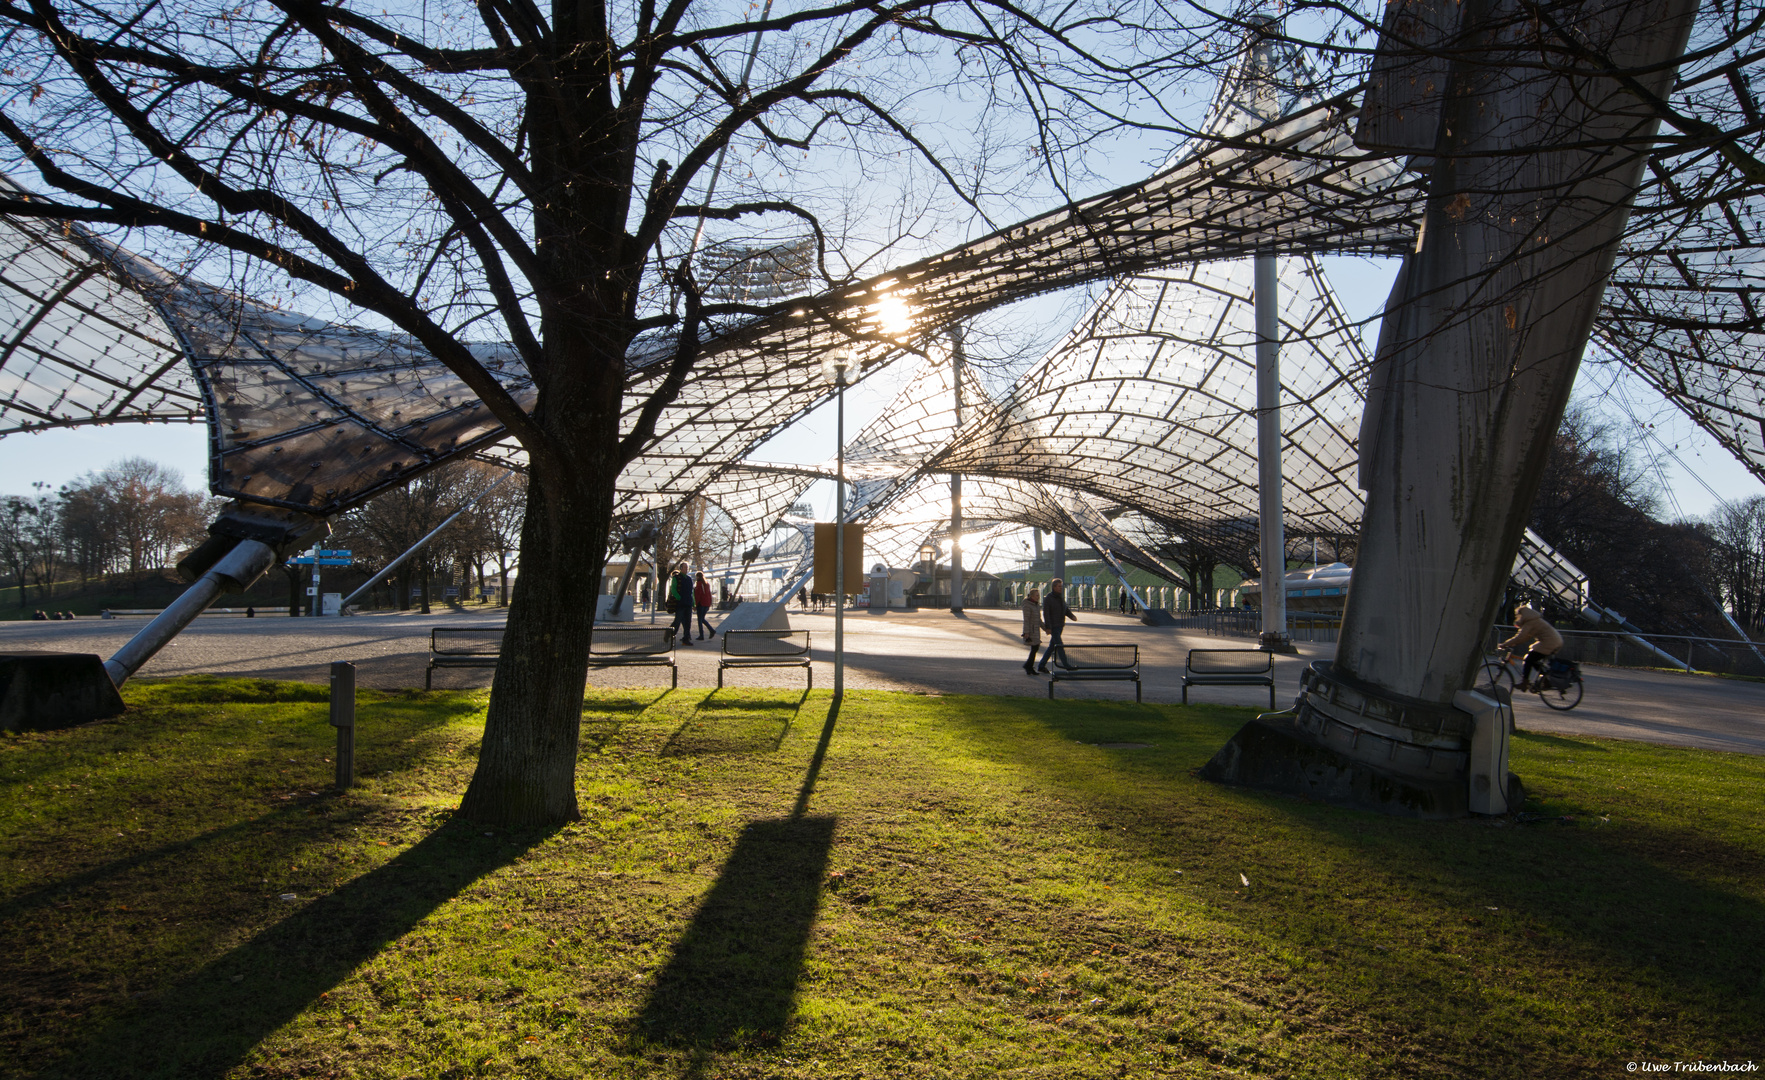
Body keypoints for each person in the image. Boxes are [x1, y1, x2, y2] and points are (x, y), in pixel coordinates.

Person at [1500, 603, 1564, 692]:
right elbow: (1525, 637)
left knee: (1528, 659)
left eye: (1518, 616)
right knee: (1533, 660)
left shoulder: (1530, 622)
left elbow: (1521, 636)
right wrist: (1513, 643)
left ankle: (1524, 683)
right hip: (1555, 641)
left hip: (1549, 642)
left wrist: (1505, 644)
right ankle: (1545, 680)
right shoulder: (1534, 620)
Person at [1037, 578, 1078, 673]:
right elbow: (1046, 614)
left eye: (1061, 586)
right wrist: (1048, 627)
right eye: (1059, 586)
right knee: (1059, 646)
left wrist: (1071, 616)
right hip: (1054, 626)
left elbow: (1065, 609)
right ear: (1054, 587)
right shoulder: (1049, 598)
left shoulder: (1060, 597)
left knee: (1052, 647)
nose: (1061, 588)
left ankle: (1041, 665)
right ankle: (1066, 665)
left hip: (1060, 625)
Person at [669, 562, 696, 645]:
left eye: (687, 567)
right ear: (681, 568)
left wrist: (693, 603)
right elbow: (673, 589)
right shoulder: (676, 578)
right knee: (677, 621)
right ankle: (670, 635)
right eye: (685, 567)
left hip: (688, 603)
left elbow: (691, 592)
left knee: (688, 622)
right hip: (680, 604)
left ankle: (686, 639)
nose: (686, 569)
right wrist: (679, 598)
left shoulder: (689, 579)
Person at [1021, 586, 1043, 675]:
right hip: (1031, 630)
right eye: (1037, 595)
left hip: (1036, 629)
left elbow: (1039, 619)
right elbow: (1026, 619)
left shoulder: (1036, 605)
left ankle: (1028, 666)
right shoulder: (1027, 605)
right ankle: (1028, 666)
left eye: (1039, 595)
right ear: (1032, 596)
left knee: (1035, 648)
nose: (1038, 597)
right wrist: (1026, 632)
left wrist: (1045, 628)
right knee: (1034, 648)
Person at [693, 571, 715, 640]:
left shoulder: (699, 584)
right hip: (706, 604)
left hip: (701, 604)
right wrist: (709, 603)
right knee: (702, 619)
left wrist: (695, 605)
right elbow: (709, 594)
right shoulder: (707, 584)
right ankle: (711, 630)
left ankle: (702, 635)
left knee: (700, 620)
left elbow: (698, 595)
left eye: (696, 576)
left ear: (698, 577)